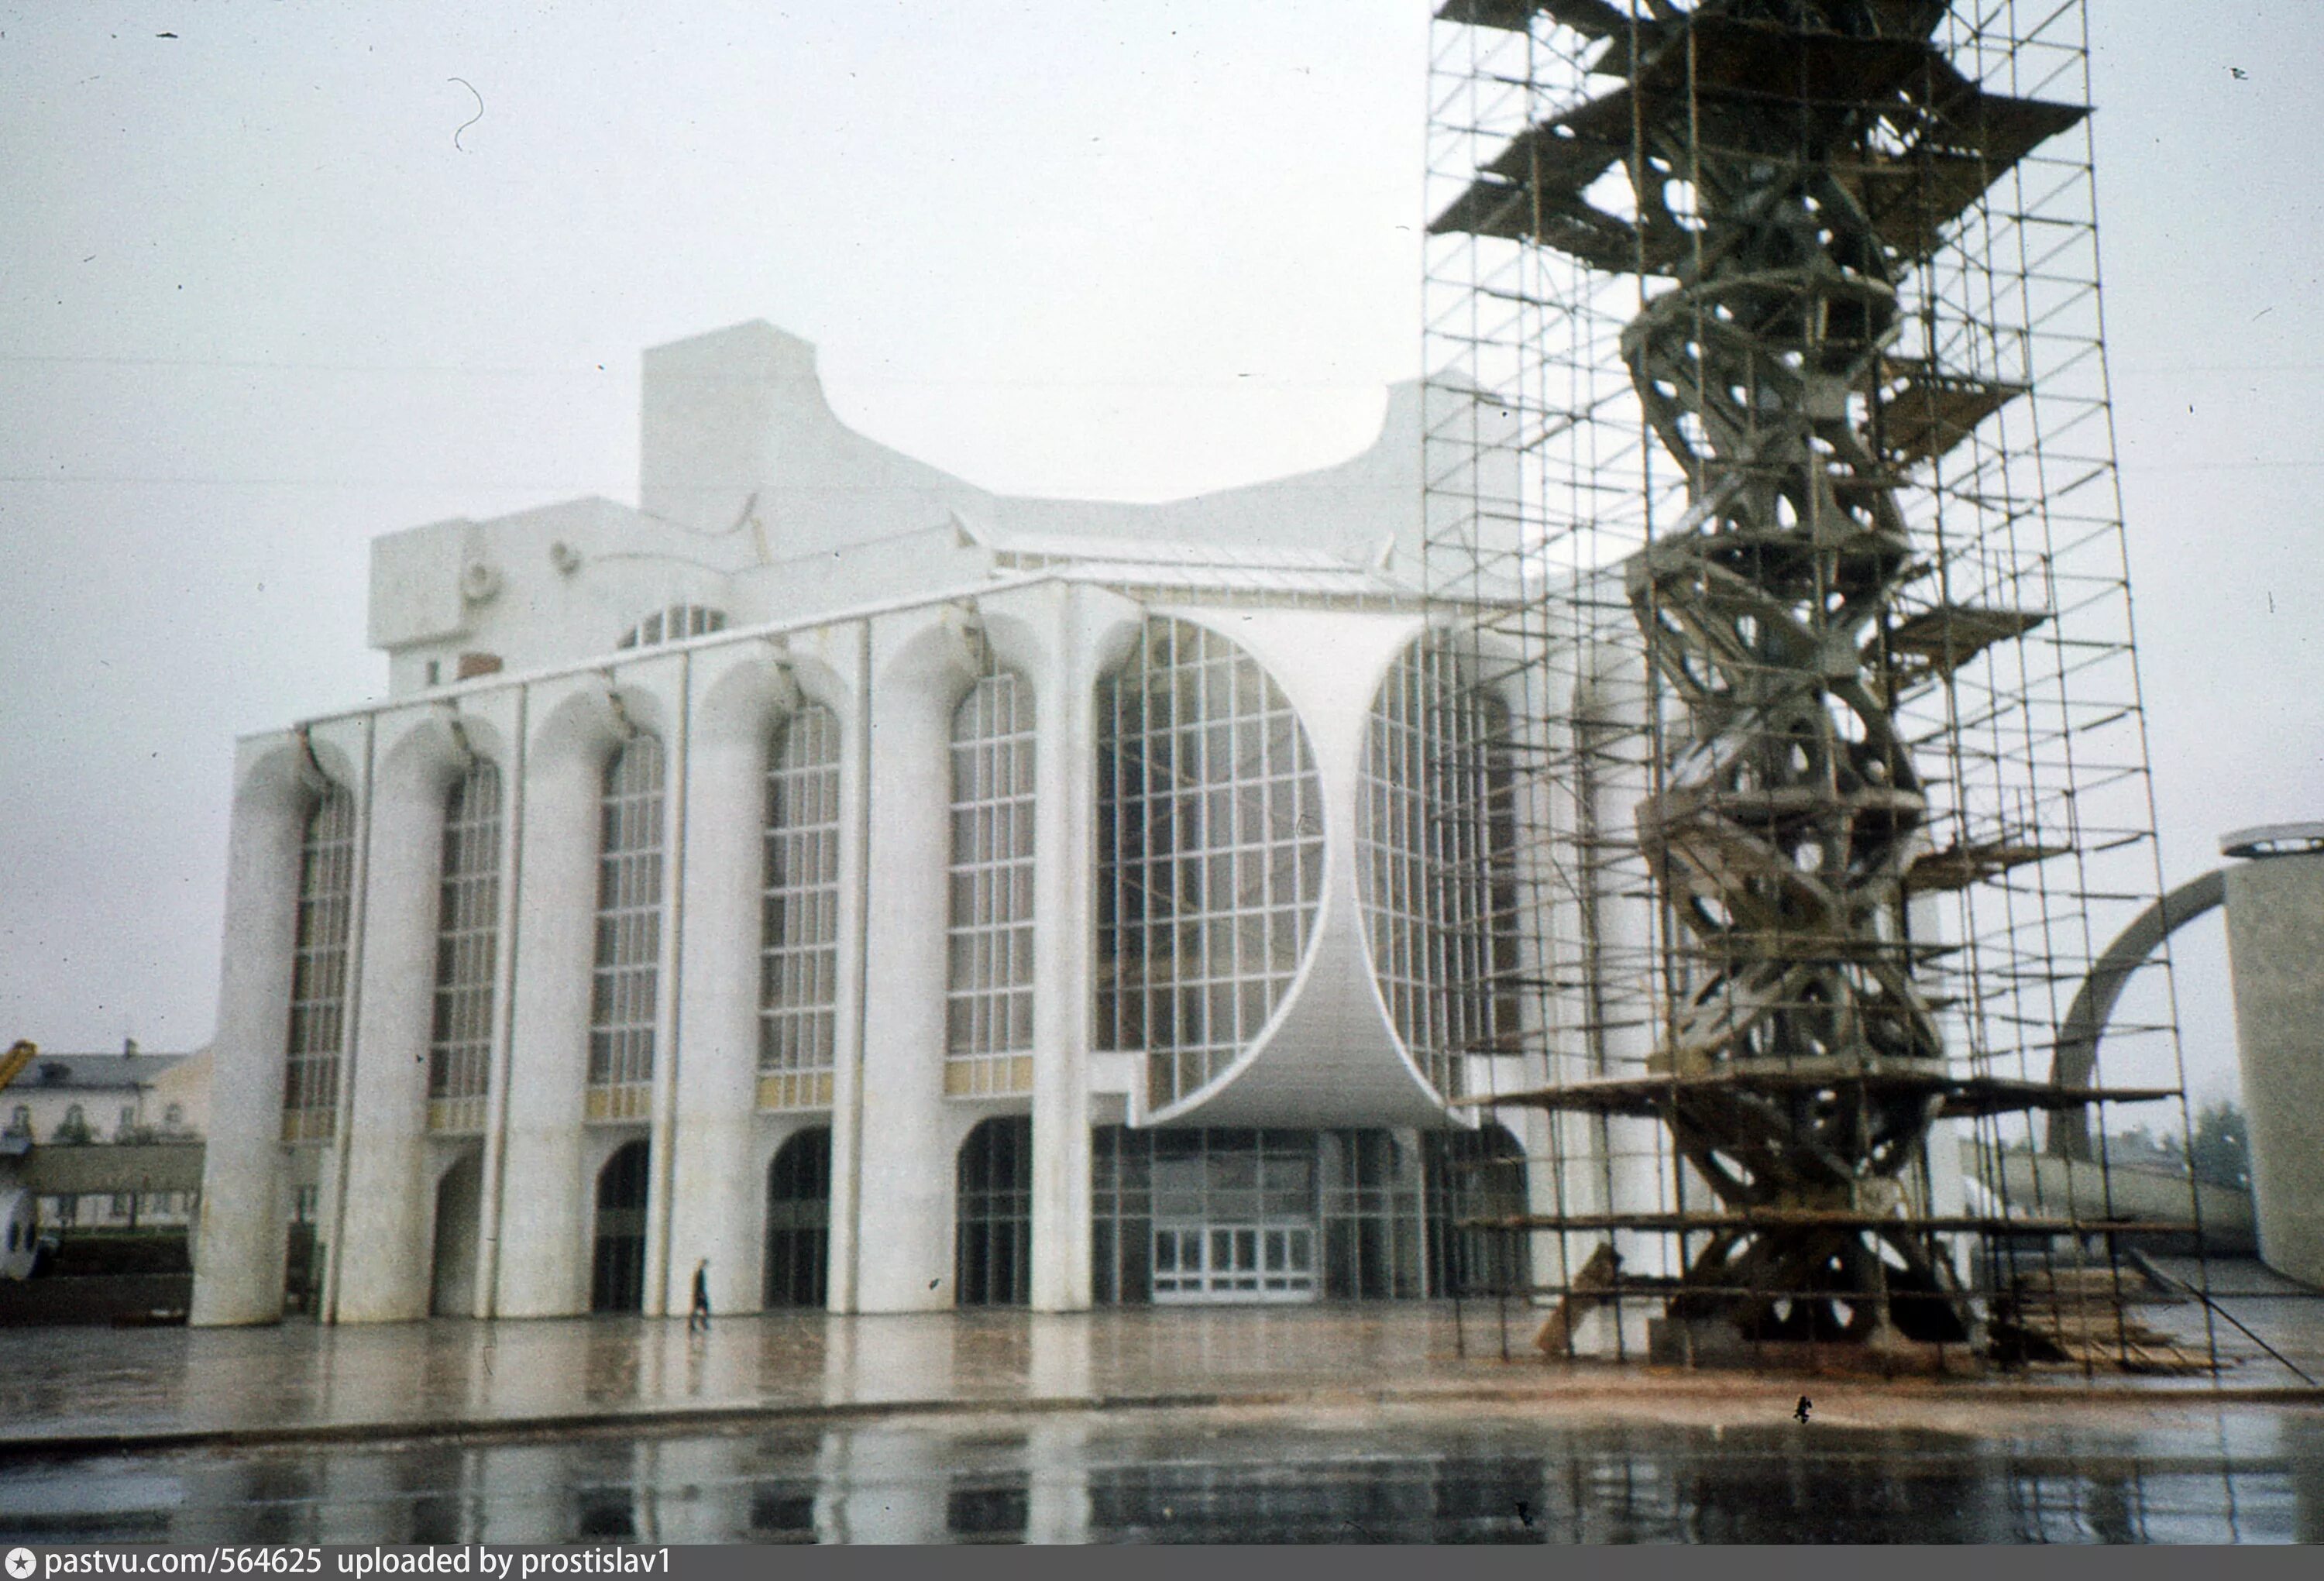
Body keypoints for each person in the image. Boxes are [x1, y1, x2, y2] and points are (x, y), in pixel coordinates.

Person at [689, 1258, 711, 1333]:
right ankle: (697, 1323)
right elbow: (698, 1285)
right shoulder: (699, 1273)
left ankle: (697, 1323)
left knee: (702, 1309)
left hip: (698, 1294)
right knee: (700, 1309)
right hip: (698, 1294)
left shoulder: (700, 1273)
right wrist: (701, 1294)